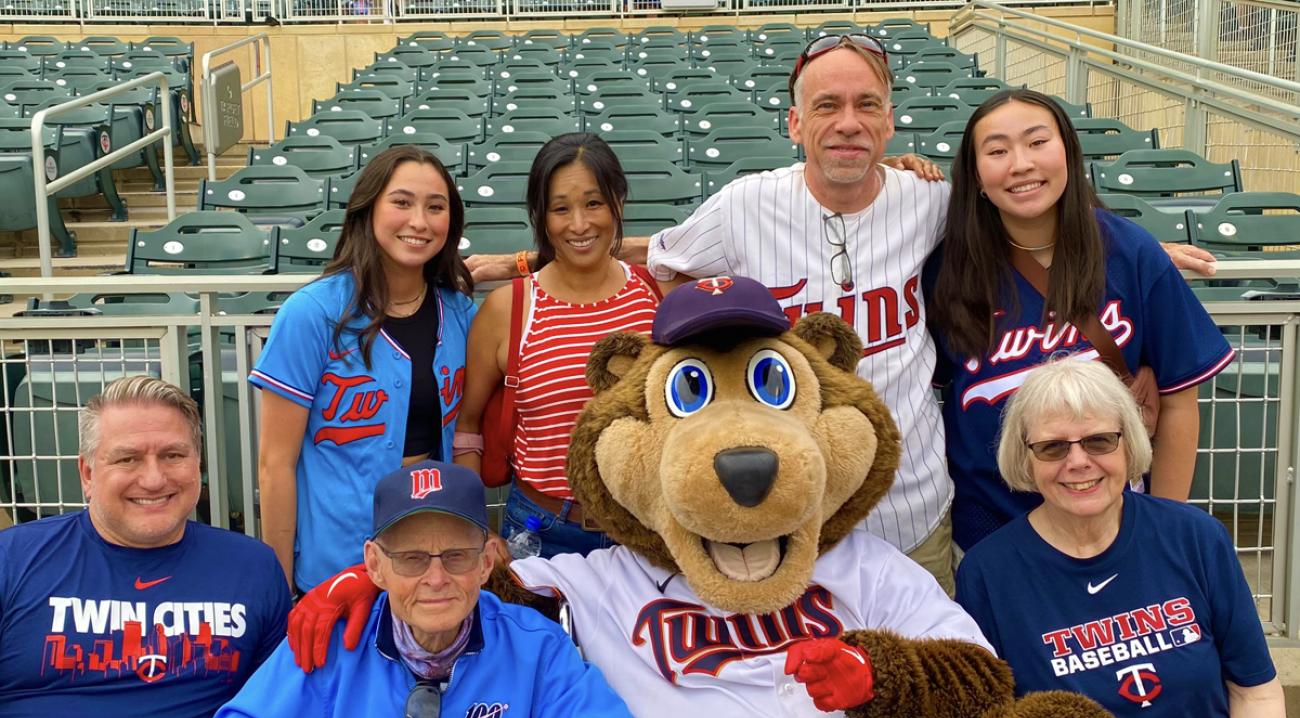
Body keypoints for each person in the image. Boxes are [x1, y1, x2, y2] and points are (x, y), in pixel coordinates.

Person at [467, 36, 1218, 595]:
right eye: (826, 105)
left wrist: (1133, 238)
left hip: (915, 515)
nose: (848, 122)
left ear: (891, 122)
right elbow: (645, 251)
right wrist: (526, 262)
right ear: (795, 124)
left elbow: (1025, 199)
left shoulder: (931, 201)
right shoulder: (743, 207)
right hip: (785, 516)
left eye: (866, 105)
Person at [168, 460, 675, 718]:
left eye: (455, 555)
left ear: (486, 561)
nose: (436, 578)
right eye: (411, 558)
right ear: (373, 564)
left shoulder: (535, 650)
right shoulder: (327, 648)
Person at [955, 356, 1298, 718]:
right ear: (1025, 461)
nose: (1078, 462)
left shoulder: (1195, 538)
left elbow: (1255, 692)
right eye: (1052, 447)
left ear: (1129, 443)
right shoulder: (988, 572)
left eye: (1098, 441)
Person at [925, 89, 1234, 553]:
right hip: (991, 529)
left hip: (1115, 520)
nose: (1021, 164)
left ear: (1068, 152)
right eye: (997, 151)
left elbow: (1178, 402)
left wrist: (1165, 527)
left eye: (1037, 142)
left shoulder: (1129, 251)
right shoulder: (947, 270)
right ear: (975, 175)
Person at [0, 376, 291, 718]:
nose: (154, 478)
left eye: (173, 456)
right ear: (87, 473)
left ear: (198, 465)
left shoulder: (252, 568)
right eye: (128, 458)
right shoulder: (14, 560)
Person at [252, 145, 477, 592]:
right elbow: (275, 464)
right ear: (367, 209)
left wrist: (517, 263)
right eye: (402, 202)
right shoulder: (312, 313)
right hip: (334, 563)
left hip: (430, 565)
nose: (419, 221)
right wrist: (279, 588)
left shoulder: (460, 314)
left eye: (436, 207)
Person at [455, 133, 659, 558]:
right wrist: (478, 531)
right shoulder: (508, 308)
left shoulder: (658, 294)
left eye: (594, 203)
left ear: (618, 203)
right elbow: (467, 429)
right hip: (540, 532)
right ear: (541, 217)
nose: (579, 224)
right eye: (560, 209)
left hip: (649, 529)